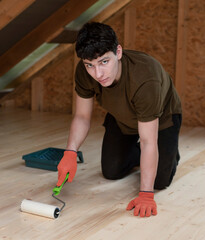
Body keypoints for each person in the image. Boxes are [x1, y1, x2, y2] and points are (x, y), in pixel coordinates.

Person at [56, 22, 182, 218]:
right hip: (121, 115)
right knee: (111, 171)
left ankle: (169, 153)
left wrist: (146, 195)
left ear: (119, 52)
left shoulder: (146, 77)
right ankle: (139, 154)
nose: (98, 74)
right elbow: (82, 116)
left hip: (161, 118)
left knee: (159, 182)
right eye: (90, 65)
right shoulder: (84, 72)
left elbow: (149, 141)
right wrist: (71, 152)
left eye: (104, 62)